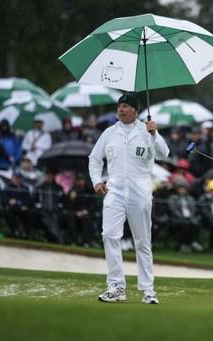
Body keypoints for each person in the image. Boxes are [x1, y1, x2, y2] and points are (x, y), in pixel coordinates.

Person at [89, 92, 169, 304]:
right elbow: (95, 158)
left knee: (142, 242)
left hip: (140, 192)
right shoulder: (109, 133)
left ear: (135, 110)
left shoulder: (146, 130)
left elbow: (164, 154)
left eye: (125, 106)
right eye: (119, 106)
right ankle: (116, 286)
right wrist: (97, 180)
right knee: (109, 235)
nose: (121, 109)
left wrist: (154, 134)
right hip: (114, 191)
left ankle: (148, 290)